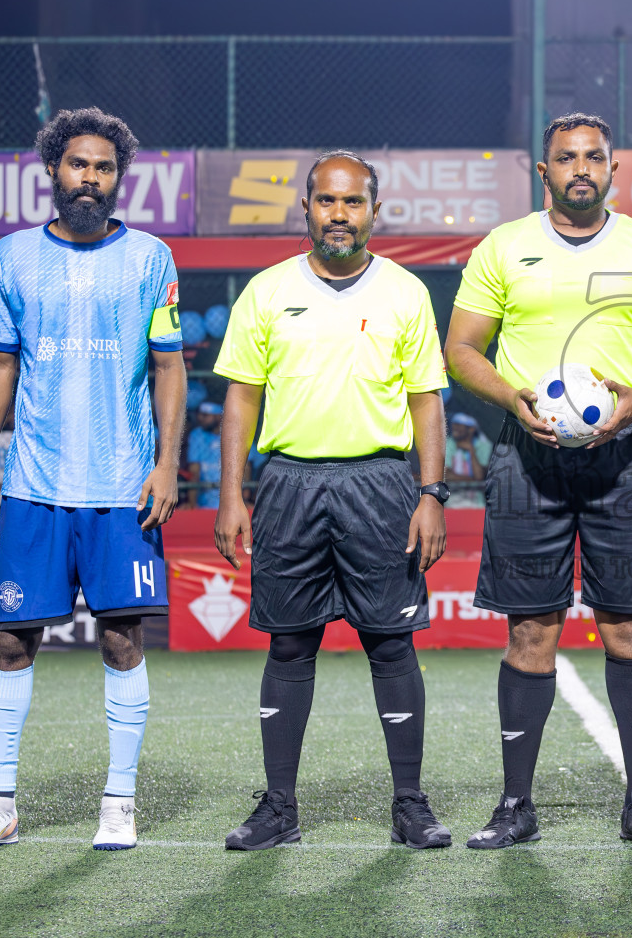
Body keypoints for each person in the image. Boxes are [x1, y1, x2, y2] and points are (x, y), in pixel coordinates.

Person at [445, 112, 632, 848]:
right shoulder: (505, 246)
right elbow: (461, 349)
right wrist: (510, 397)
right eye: (567, 158)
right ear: (545, 171)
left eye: (594, 156)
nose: (581, 168)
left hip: (624, 460)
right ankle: (514, 805)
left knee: (628, 628)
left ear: (613, 169)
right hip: (526, 458)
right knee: (530, 630)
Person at [0, 108, 187, 852]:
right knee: (14, 642)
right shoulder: (14, 255)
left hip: (122, 486)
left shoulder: (151, 258)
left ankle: (118, 803)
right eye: (78, 165)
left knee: (122, 641)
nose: (91, 178)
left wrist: (166, 464)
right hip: (33, 484)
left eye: (105, 168)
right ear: (53, 170)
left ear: (120, 179)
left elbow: (169, 365)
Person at [213, 151, 452, 851]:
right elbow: (241, 397)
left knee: (390, 642)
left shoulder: (406, 292)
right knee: (289, 642)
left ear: (374, 211)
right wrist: (232, 495)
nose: (338, 215)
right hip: (288, 483)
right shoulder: (265, 290)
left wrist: (431, 494)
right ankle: (278, 808)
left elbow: (426, 402)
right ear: (307, 208)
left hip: (380, 484)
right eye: (325, 201)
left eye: (352, 203)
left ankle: (409, 803)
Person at [445, 411, 492, 506]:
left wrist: (471, 450)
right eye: (454, 424)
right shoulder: (448, 443)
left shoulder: (484, 445)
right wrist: (472, 481)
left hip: (477, 502)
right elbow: (446, 475)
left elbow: (480, 476)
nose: (454, 427)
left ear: (471, 429)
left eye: (459, 424)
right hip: (452, 500)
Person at [184, 401, 225, 509]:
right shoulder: (197, 435)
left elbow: (246, 468)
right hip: (204, 503)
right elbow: (194, 471)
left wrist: (245, 499)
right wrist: (193, 504)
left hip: (229, 501)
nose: (200, 418)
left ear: (219, 417)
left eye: (205, 415)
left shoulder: (231, 434)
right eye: (200, 414)